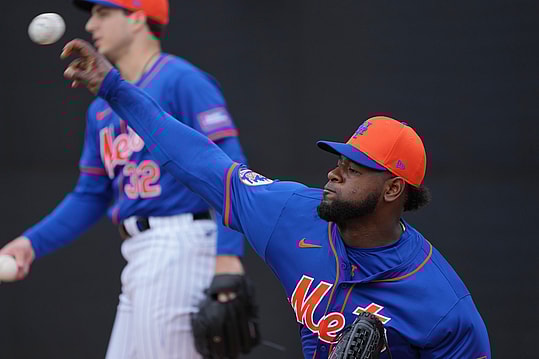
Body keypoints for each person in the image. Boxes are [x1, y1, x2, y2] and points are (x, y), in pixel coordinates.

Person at [61, 39, 492, 359]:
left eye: (354, 169)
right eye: (339, 161)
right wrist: (114, 88)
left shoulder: (443, 306)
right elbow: (197, 159)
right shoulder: (290, 213)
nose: (334, 172)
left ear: (393, 189)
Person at [0, 2, 251, 358]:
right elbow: (90, 194)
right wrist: (31, 243)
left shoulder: (181, 80)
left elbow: (232, 166)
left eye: (103, 14)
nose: (90, 24)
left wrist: (228, 254)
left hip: (180, 244)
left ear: (136, 18)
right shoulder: (100, 107)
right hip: (141, 255)